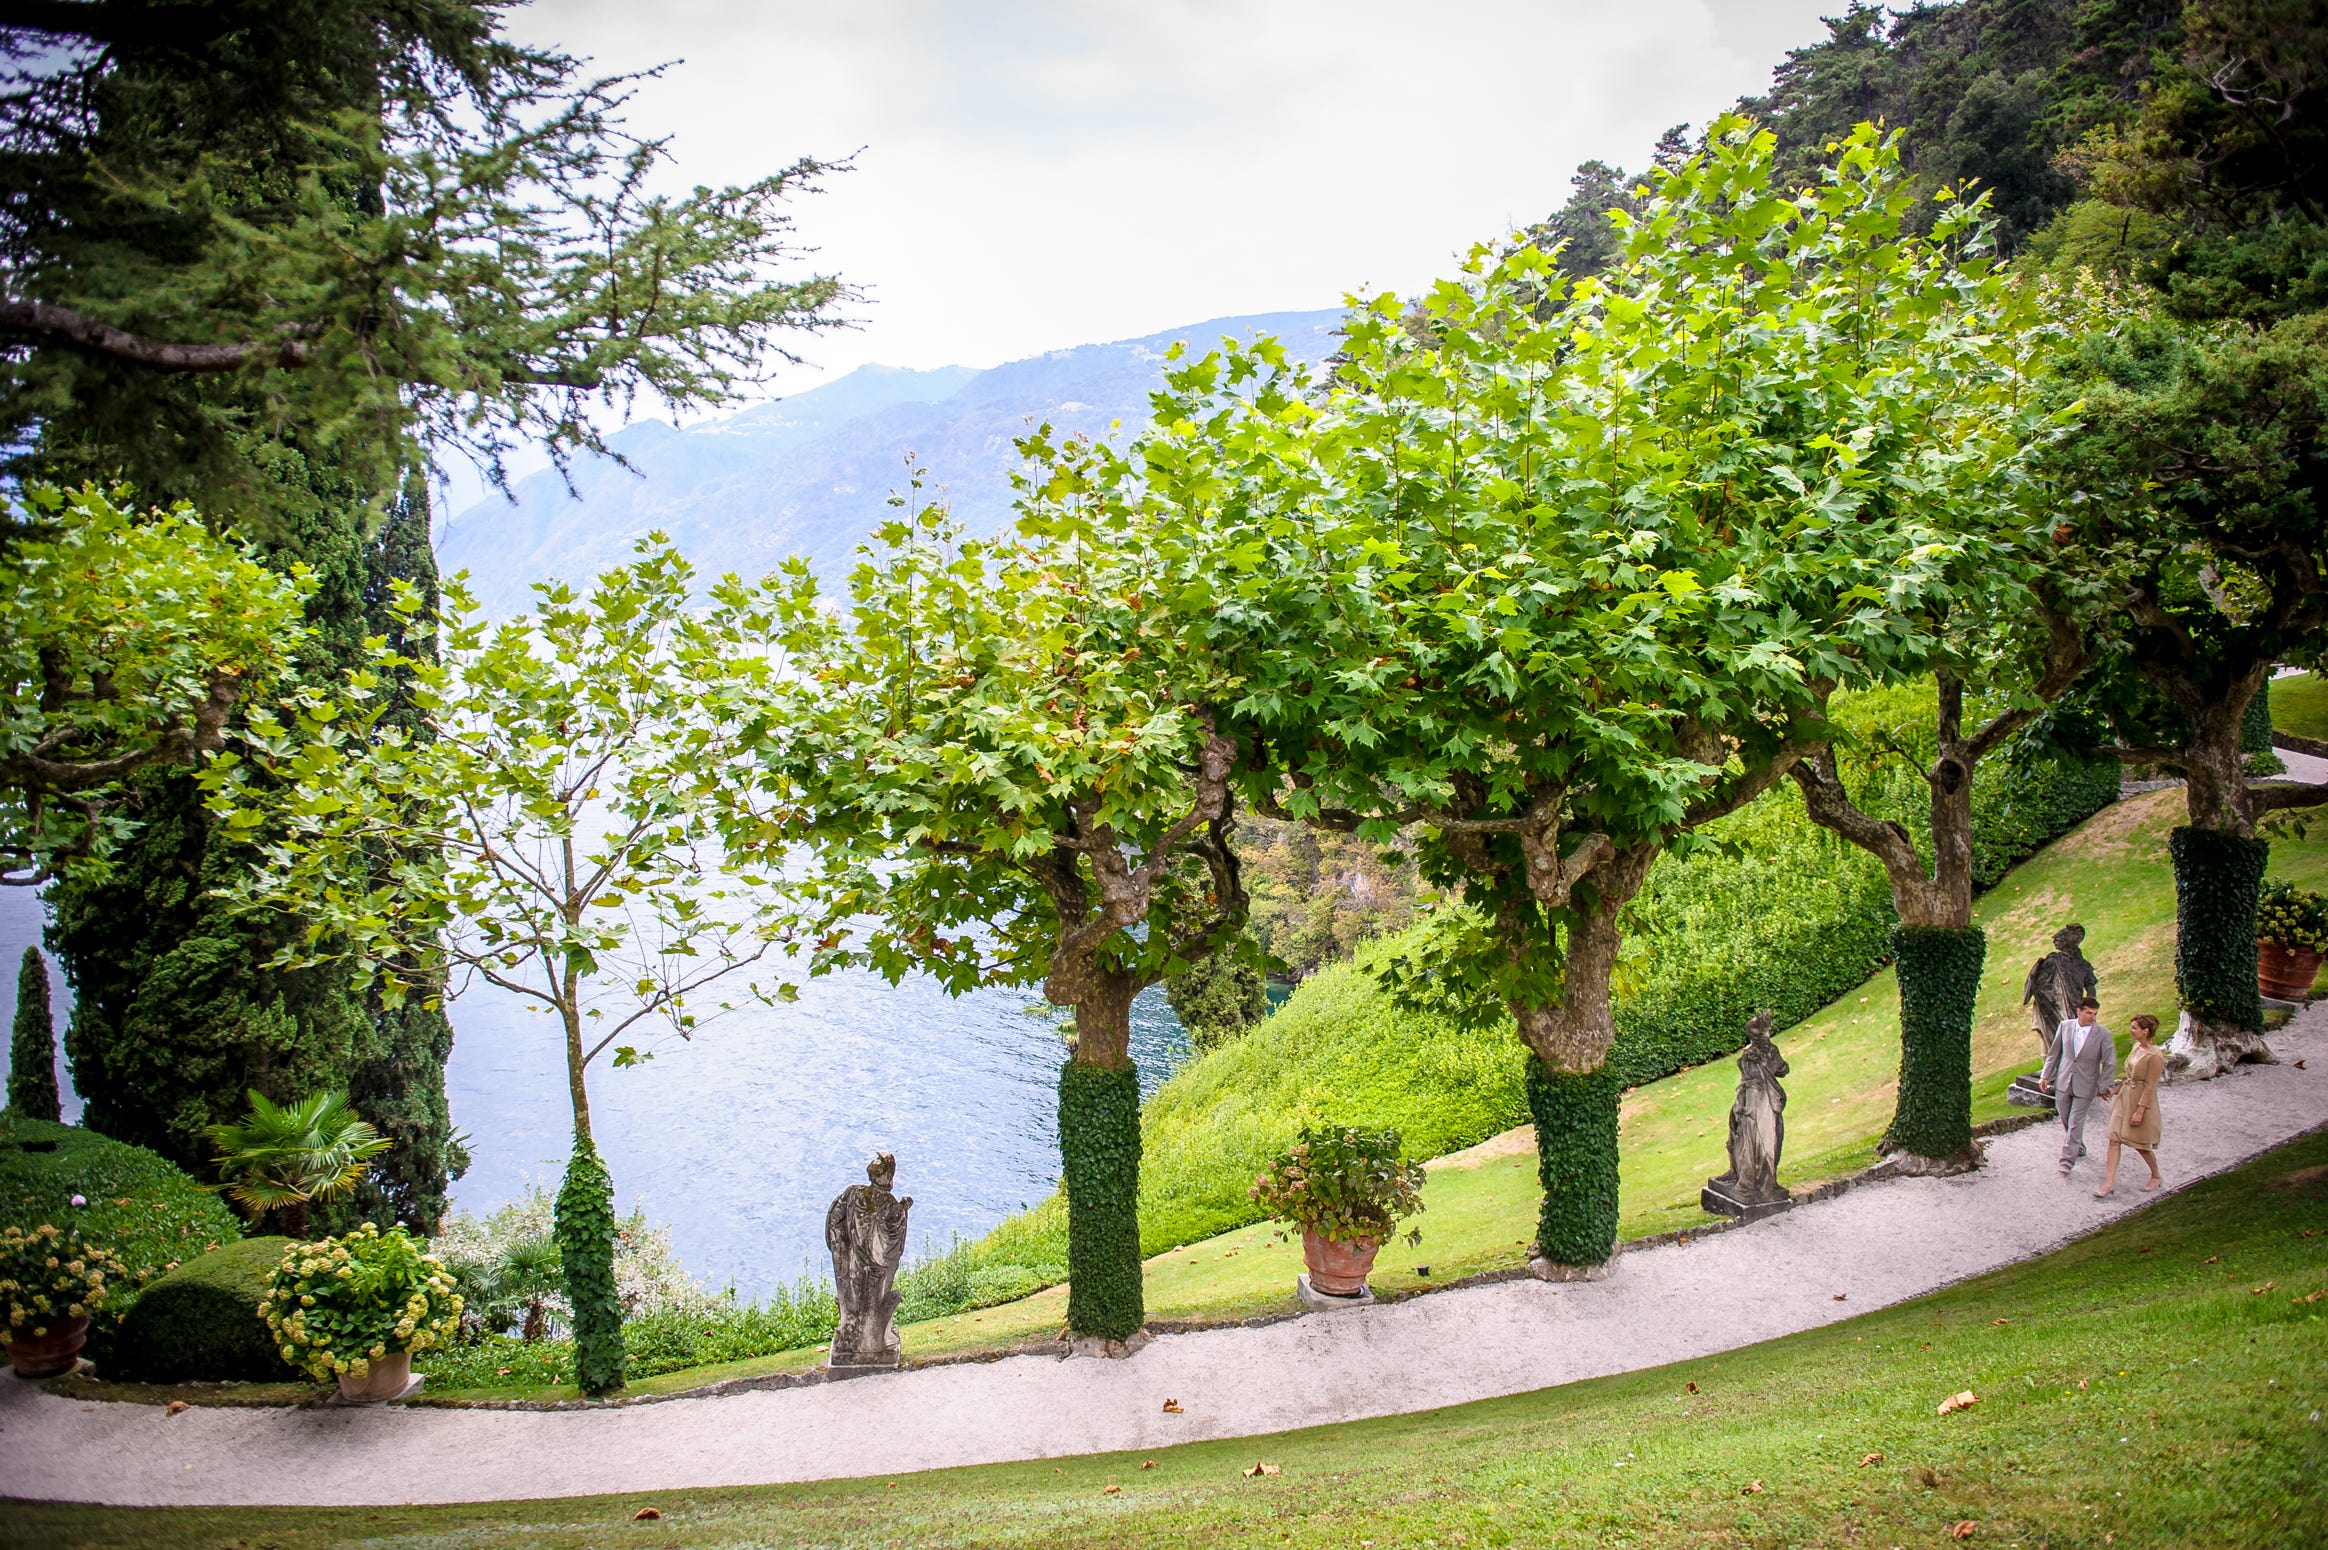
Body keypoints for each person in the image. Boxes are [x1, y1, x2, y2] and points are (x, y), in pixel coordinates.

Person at [2039, 995, 2115, 1176]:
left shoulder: (2103, 1035)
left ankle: (2066, 1160)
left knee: (2075, 1123)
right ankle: (2078, 1146)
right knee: (2065, 1118)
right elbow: (2054, 1053)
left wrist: (2101, 1086)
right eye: (2089, 1013)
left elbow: (2110, 1063)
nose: (2092, 1017)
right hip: (2064, 1082)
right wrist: (2045, 1076)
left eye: (2095, 1014)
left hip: (2086, 1085)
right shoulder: (2065, 1027)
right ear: (2079, 1011)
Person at [2094, 1014, 2166, 1197]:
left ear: (2145, 1031)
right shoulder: (2136, 1048)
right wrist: (2115, 1090)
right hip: (2125, 1097)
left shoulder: (2155, 1056)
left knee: (2140, 1144)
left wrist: (2140, 1111)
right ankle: (2109, 1182)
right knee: (2114, 1138)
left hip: (2140, 1101)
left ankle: (2156, 1175)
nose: (2131, 1030)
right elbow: (2129, 1077)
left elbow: (2150, 1086)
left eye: (2134, 1028)